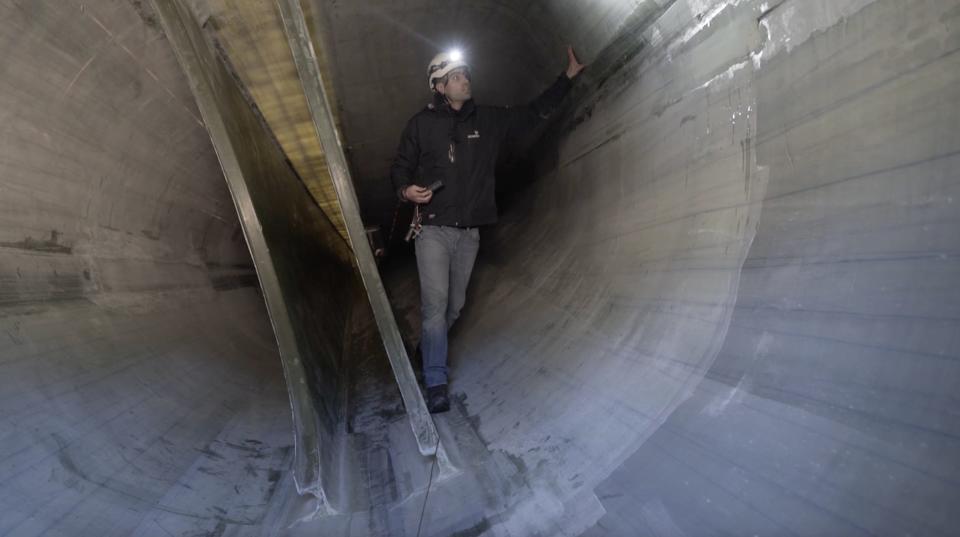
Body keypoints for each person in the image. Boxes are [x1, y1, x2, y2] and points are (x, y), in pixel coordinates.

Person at [391, 46, 585, 413]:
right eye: (458, 75)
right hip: (432, 229)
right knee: (435, 307)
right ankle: (435, 381)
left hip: (469, 232)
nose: (466, 79)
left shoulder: (488, 120)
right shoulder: (421, 125)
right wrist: (405, 189)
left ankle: (428, 347)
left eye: (466, 73)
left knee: (455, 307)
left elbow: (532, 114)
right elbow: (400, 165)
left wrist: (567, 78)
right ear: (440, 85)